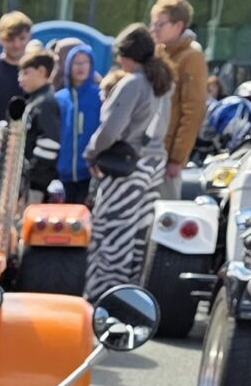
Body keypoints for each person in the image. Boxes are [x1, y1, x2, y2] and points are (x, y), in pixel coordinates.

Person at [81, 23, 172, 304]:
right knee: (137, 236)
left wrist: (92, 153)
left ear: (128, 55)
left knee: (112, 231)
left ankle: (104, 297)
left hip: (127, 165)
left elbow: (111, 130)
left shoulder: (132, 83)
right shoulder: (161, 83)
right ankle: (131, 296)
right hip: (153, 164)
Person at [149, 0, 207, 183]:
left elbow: (193, 111)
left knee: (164, 200)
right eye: (153, 24)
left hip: (167, 154)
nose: (154, 29)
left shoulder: (191, 57)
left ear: (178, 26)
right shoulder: (158, 53)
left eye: (160, 24)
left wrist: (177, 158)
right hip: (149, 148)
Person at [49, 41, 101, 202]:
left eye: (85, 62)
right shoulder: (60, 98)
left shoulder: (100, 95)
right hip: (64, 171)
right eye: (76, 63)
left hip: (90, 171)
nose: (80, 67)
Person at [17, 49, 64, 194]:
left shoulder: (45, 102)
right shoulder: (35, 100)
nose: (20, 79)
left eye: (26, 73)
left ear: (41, 71)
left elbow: (49, 143)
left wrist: (32, 177)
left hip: (34, 185)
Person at [0, 11, 33, 116]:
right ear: (0, 39)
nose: (17, 45)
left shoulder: (37, 71)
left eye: (22, 38)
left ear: (29, 36)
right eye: (10, 39)